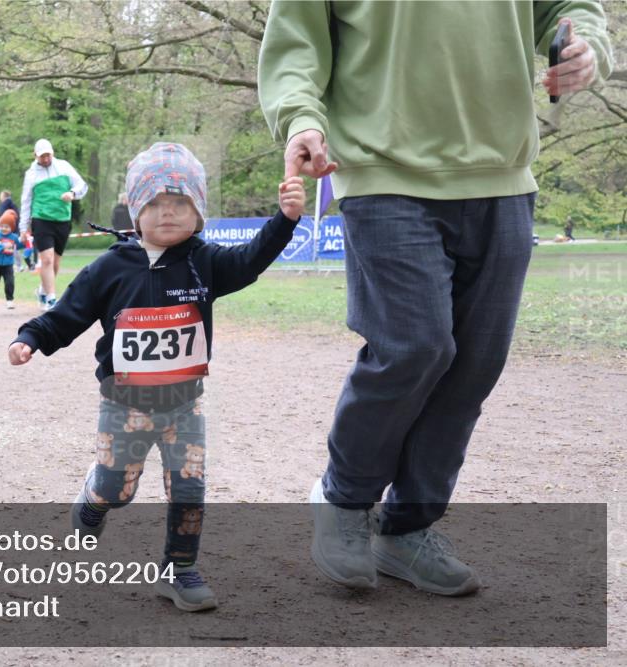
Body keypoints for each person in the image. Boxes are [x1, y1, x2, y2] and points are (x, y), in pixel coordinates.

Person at [259, 3, 613, 595]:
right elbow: (296, 41)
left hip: (503, 174)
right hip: (381, 169)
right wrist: (301, 119)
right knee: (414, 347)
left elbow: (571, 8)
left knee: (475, 364)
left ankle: (408, 528)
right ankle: (344, 502)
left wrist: (586, 47)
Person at [9, 142, 305, 612]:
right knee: (116, 491)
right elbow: (68, 314)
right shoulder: (108, 267)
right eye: (155, 204)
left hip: (185, 405)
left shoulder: (204, 262)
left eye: (181, 204)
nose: (168, 215)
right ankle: (93, 497)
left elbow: (250, 260)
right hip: (123, 405)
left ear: (198, 210)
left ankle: (179, 569)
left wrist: (285, 219)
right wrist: (31, 338)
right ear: (134, 209)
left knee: (189, 488)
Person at [18, 138, 88, 311]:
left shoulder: (64, 166)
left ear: (53, 153)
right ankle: (51, 299)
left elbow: (81, 185)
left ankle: (42, 290)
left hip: (62, 219)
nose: (46, 159)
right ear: (35, 156)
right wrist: (23, 228)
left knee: (55, 263)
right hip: (41, 219)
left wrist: (72, 193)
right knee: (47, 259)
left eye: (48, 155)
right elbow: (25, 201)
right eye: (42, 156)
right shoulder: (31, 174)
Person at [0, 209, 23, 314]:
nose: (4, 229)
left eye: (7, 227)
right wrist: (3, 247)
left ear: (12, 227)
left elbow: (20, 245)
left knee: (10, 282)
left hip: (8, 264)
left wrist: (26, 240)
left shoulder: (14, 237)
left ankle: (10, 300)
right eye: (2, 226)